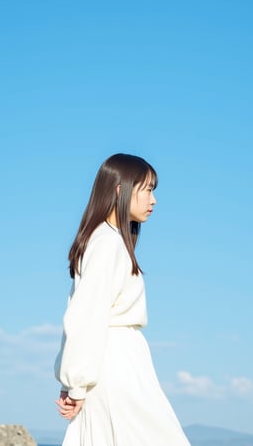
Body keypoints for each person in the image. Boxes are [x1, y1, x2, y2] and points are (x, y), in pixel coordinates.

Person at [54, 153, 191, 446]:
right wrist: (75, 384)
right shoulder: (107, 243)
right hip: (114, 365)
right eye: (148, 189)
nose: (153, 201)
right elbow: (86, 317)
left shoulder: (105, 240)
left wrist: (72, 382)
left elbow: (80, 315)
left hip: (111, 363)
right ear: (121, 190)